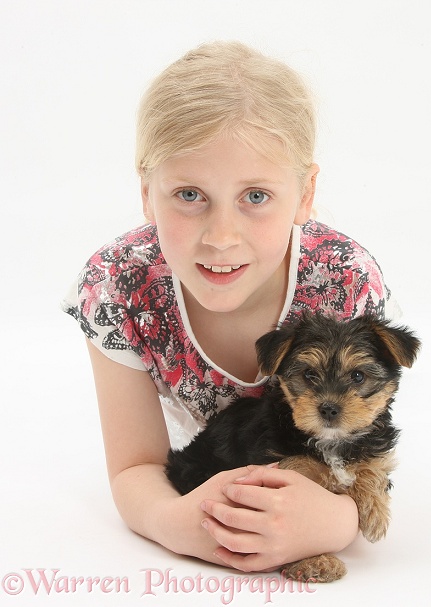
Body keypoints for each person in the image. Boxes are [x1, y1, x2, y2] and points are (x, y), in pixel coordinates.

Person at [62, 40, 399, 573]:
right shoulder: (118, 285)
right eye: (190, 194)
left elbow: (360, 451)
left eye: (256, 196)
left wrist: (336, 521)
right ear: (147, 191)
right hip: (204, 461)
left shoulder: (343, 280)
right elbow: (136, 466)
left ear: (306, 193)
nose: (222, 237)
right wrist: (172, 522)